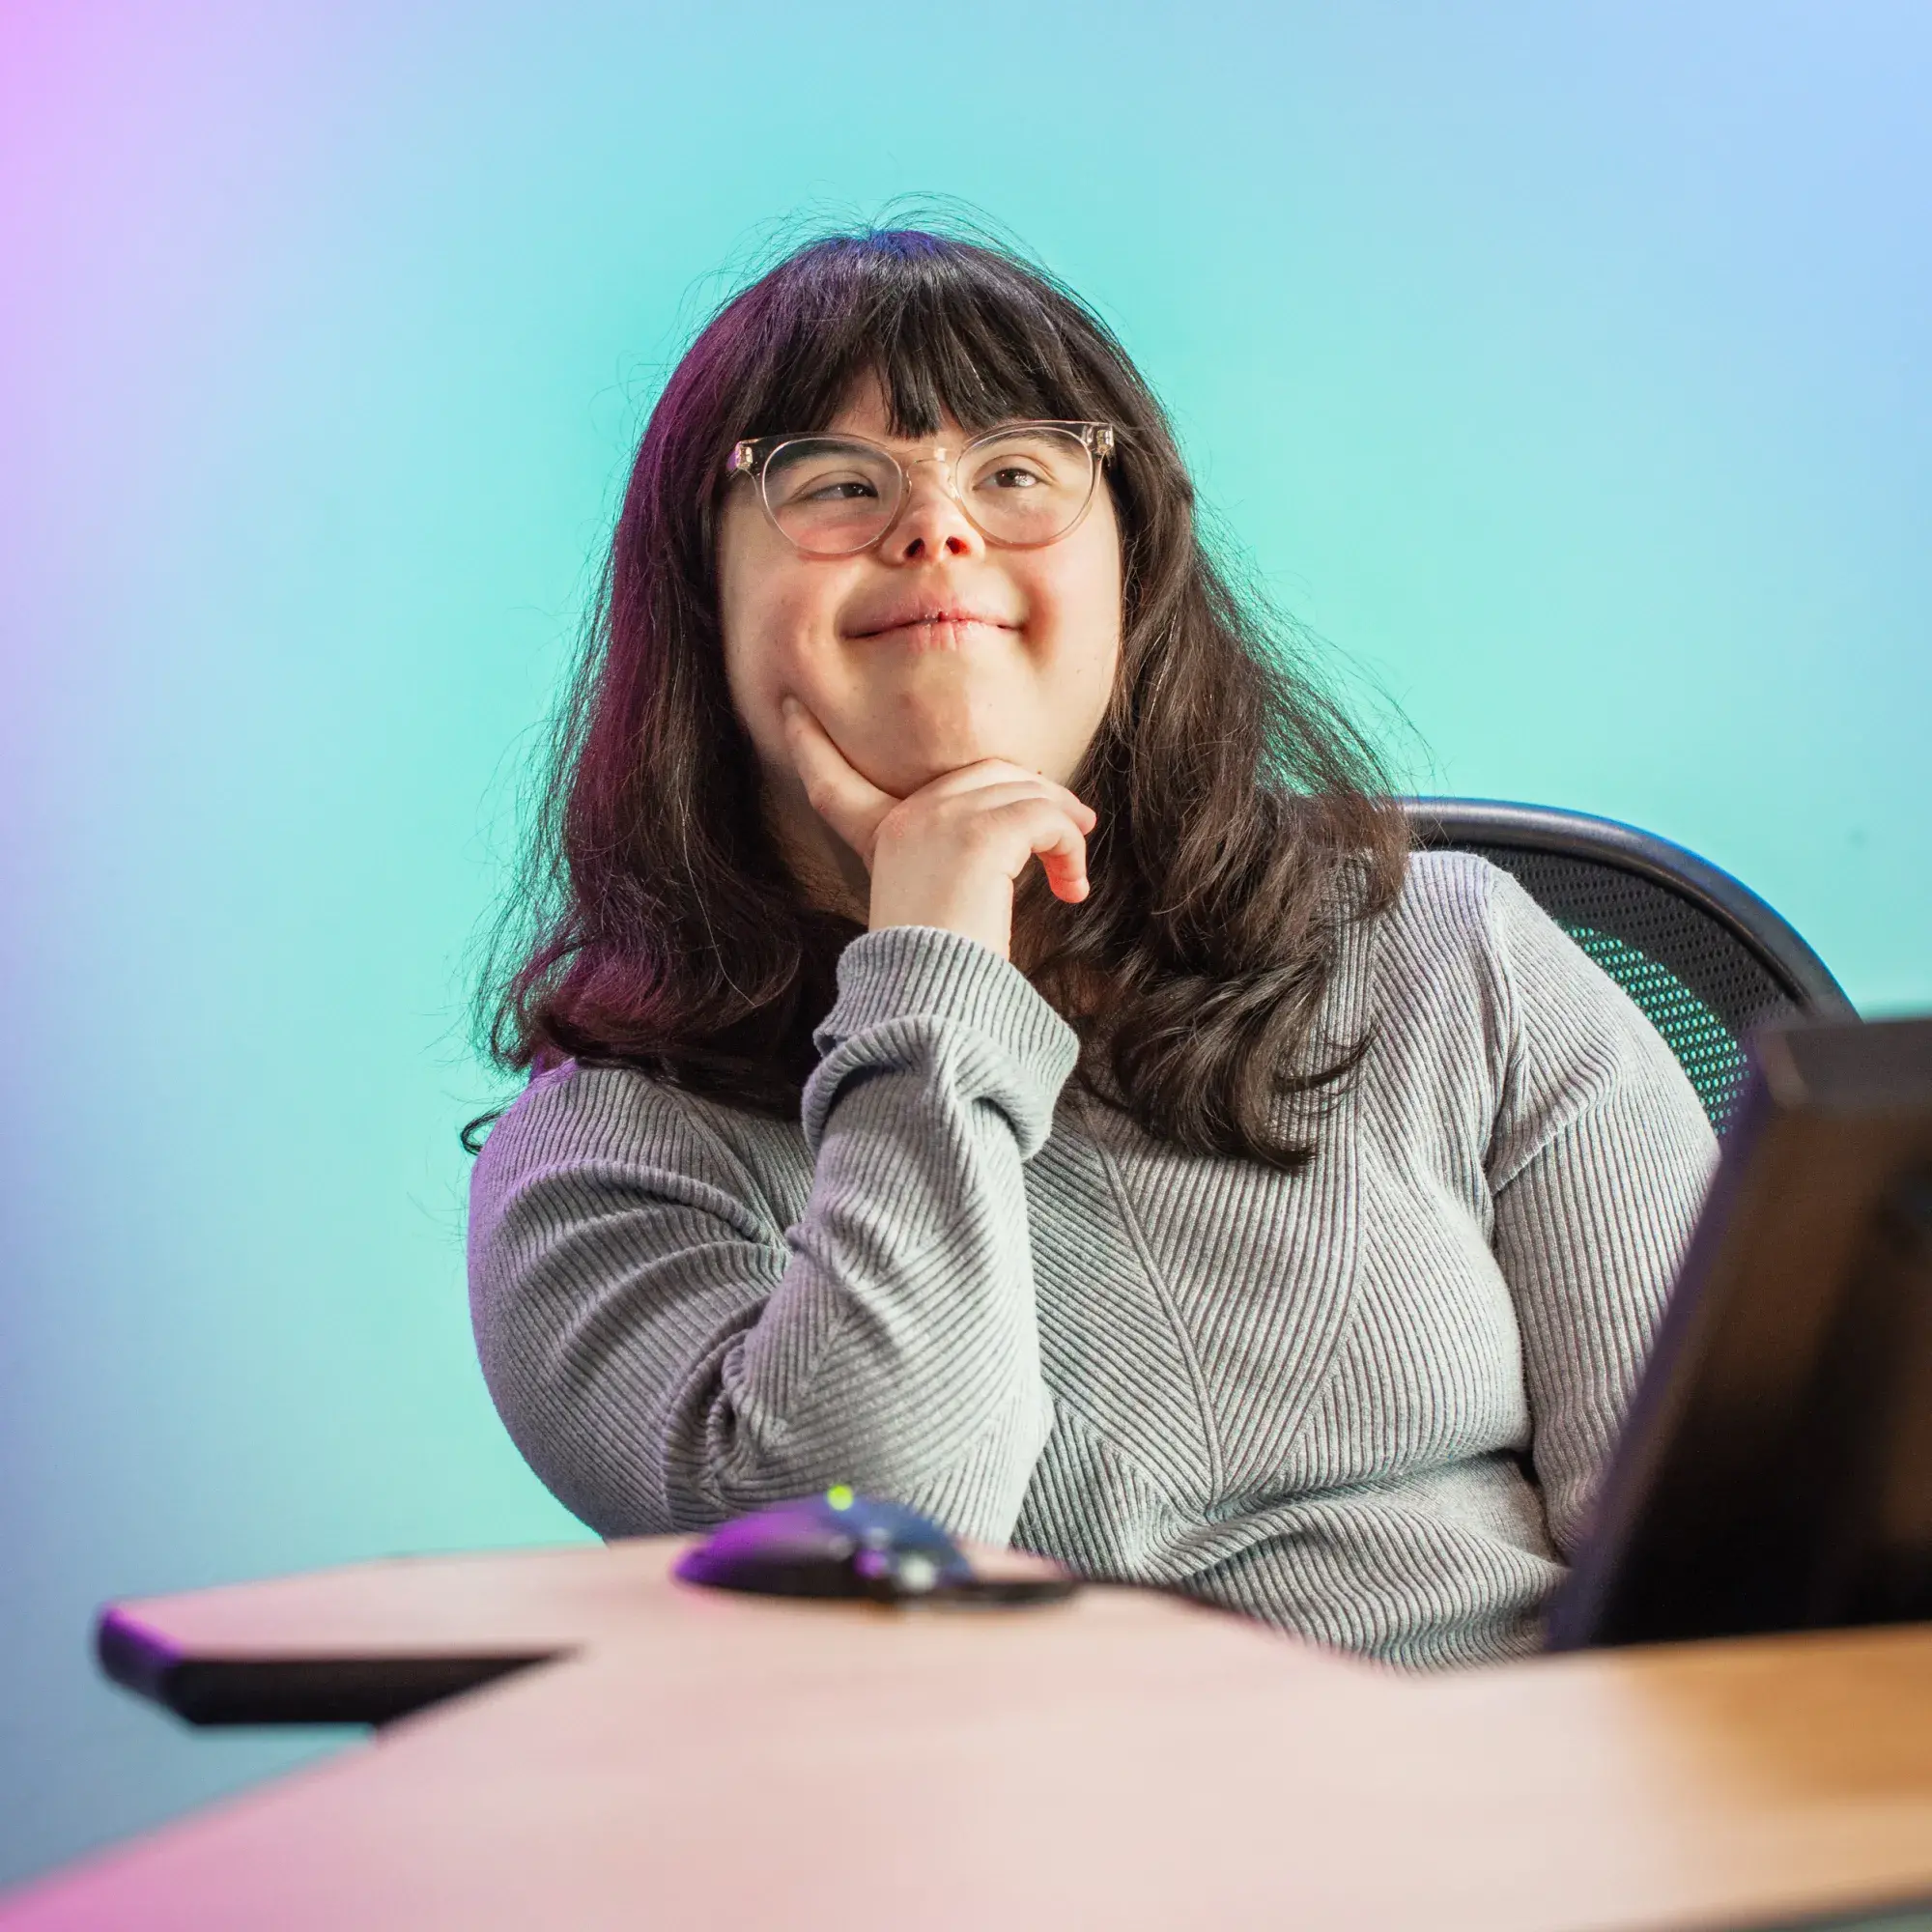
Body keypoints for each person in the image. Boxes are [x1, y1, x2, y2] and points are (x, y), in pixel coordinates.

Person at [466, 227, 1717, 1668]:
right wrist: (935, 969)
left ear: (1134, 566)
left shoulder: (1455, 957)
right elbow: (883, 1561)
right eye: (835, 484)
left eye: (1014, 474)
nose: (938, 529)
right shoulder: (603, 1166)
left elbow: (1716, 1554)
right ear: (702, 593)